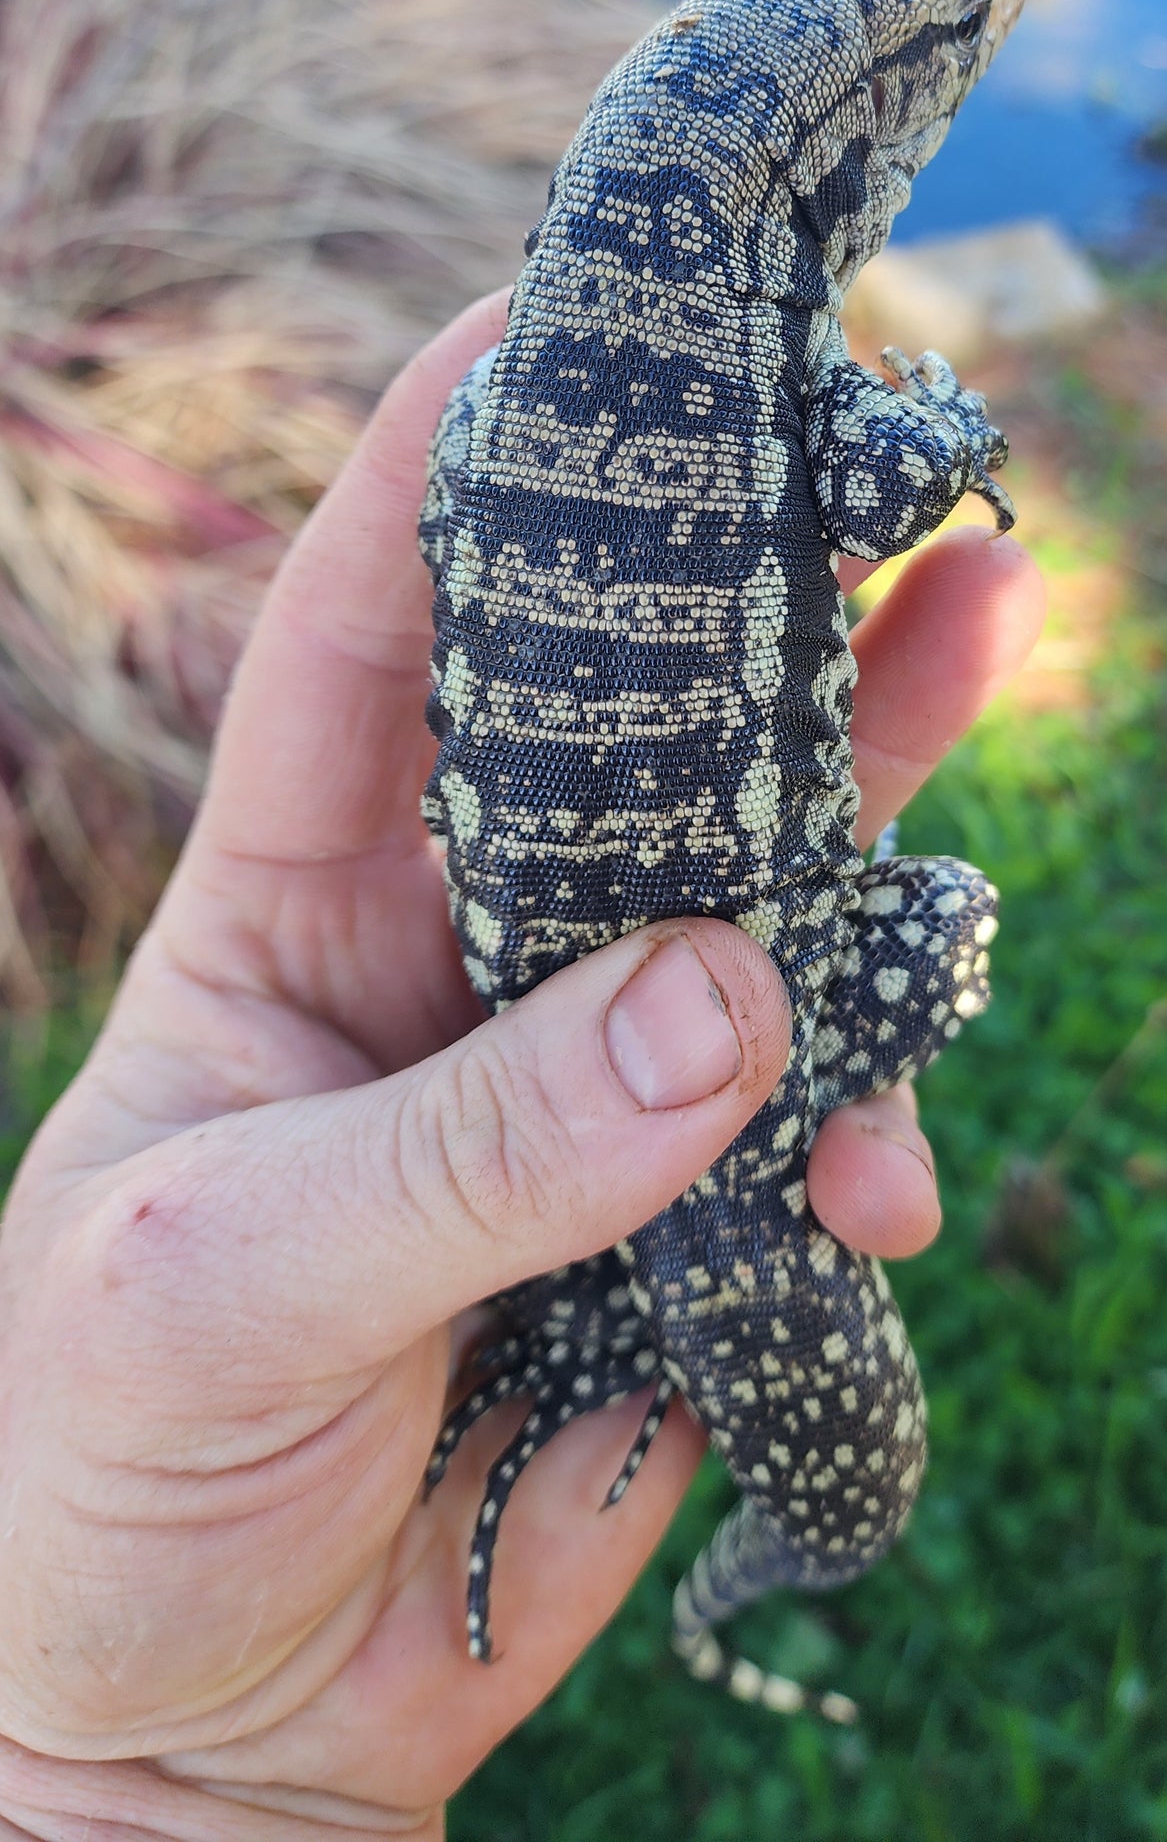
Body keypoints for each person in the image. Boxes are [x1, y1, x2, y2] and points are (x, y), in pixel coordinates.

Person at [0, 290, 1044, 1842]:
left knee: (914, 941)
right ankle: (727, 1592)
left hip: (671, 1110)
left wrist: (124, 1788)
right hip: (670, 1122)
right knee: (920, 935)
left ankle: (736, 1580)